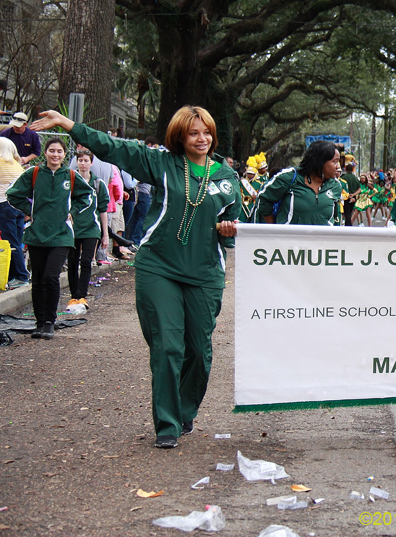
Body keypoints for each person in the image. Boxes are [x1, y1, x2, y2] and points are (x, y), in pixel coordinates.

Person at [30, 107, 239, 449]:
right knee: (168, 345)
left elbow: (232, 226)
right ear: (180, 137)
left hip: (204, 272)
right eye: (193, 133)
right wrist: (69, 125)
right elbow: (115, 148)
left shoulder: (226, 176)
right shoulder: (163, 164)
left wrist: (228, 229)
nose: (202, 139)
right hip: (160, 266)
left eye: (207, 133)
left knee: (199, 351)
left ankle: (185, 409)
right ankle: (167, 423)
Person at [7, 136, 93, 339]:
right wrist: (30, 210)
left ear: (65, 155)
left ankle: (49, 322)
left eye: (59, 151)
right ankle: (39, 322)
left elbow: (87, 196)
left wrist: (73, 210)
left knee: (51, 277)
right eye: (52, 151)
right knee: (37, 280)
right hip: (37, 234)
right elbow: (13, 194)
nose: (55, 154)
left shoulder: (71, 175)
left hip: (62, 235)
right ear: (45, 153)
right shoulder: (34, 173)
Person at [254, 140, 342, 225]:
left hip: (322, 239)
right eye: (335, 161)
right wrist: (274, 228)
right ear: (319, 162)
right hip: (290, 239)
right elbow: (264, 199)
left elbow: (335, 218)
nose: (338, 167)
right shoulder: (289, 177)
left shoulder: (335, 186)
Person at [68, 150, 110, 308]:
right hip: (72, 228)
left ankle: (82, 294)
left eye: (86, 160)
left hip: (92, 228)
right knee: (72, 261)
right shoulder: (70, 181)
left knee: (86, 261)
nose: (83, 163)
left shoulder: (98, 183)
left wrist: (105, 235)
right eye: (80, 160)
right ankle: (74, 295)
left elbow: (103, 210)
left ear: (91, 163)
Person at [0, 137, 28, 289]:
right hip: (18, 207)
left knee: (10, 242)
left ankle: (21, 275)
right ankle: (12, 275)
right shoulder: (17, 166)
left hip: (4, 205)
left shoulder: (1, 164)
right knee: (16, 241)